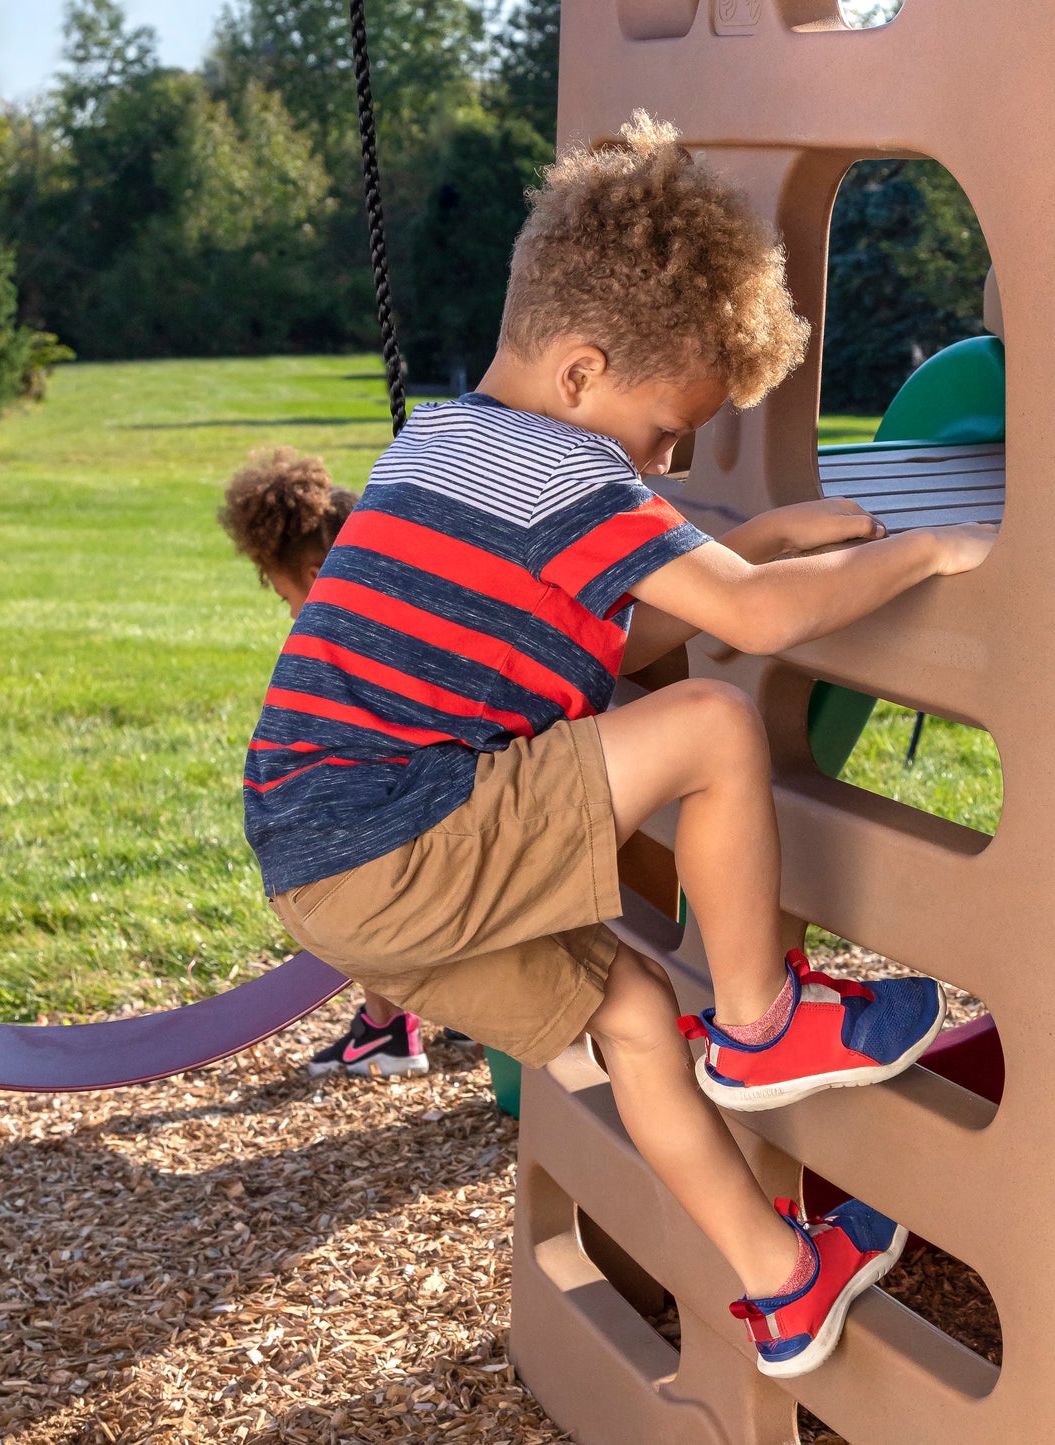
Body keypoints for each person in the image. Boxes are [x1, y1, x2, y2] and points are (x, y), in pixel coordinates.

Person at [242, 113, 995, 1377]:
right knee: (710, 724)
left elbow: (614, 635)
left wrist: (746, 542)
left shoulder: (442, 444)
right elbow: (738, 635)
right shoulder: (569, 479)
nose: (664, 468)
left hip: (320, 875)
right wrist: (921, 549)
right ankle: (765, 1019)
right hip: (404, 832)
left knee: (634, 1009)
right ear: (582, 376)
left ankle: (783, 1281)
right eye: (662, 436)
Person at [219, 448, 475, 1078]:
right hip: (453, 800)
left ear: (315, 570)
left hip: (420, 829)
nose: (291, 619)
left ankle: (390, 1026)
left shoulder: (347, 640)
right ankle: (425, 1019)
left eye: (288, 600)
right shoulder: (398, 590)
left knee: (341, 836)